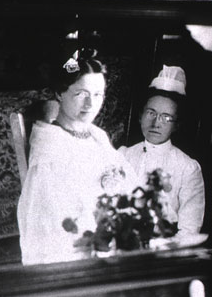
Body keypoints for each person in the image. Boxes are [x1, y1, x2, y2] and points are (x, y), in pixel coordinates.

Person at [16, 50, 134, 265]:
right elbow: (51, 219)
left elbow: (129, 184)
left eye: (98, 95)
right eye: (81, 94)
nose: (90, 104)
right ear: (60, 93)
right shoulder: (50, 147)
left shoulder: (98, 136)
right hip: (76, 250)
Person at [119, 65, 206, 236]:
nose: (156, 123)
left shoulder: (187, 168)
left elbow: (189, 229)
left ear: (176, 125)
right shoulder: (123, 155)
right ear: (140, 116)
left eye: (166, 118)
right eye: (151, 113)